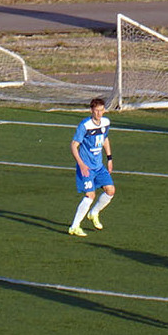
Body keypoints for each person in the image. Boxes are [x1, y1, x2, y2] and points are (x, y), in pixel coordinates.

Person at [68, 97, 115, 237]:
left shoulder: (106, 122)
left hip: (99, 166)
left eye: (101, 110)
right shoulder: (85, 125)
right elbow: (73, 145)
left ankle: (93, 213)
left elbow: (105, 139)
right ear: (91, 110)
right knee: (90, 195)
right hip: (86, 168)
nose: (99, 113)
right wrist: (81, 164)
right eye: (96, 111)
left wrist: (110, 158)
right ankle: (74, 227)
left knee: (110, 190)